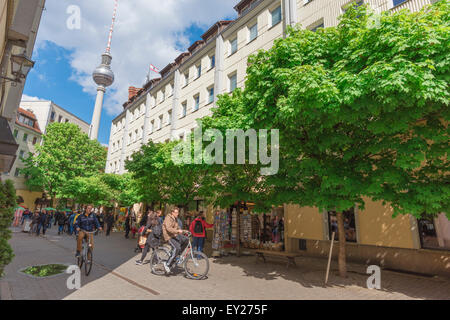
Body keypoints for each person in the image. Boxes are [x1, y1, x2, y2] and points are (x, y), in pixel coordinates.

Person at [162, 208, 189, 273]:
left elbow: (178, 228)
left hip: (174, 234)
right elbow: (168, 228)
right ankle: (167, 264)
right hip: (168, 236)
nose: (177, 214)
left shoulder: (175, 218)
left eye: (178, 212)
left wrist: (184, 231)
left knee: (186, 240)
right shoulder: (168, 218)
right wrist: (177, 231)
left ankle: (178, 255)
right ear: (172, 213)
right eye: (176, 212)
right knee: (177, 247)